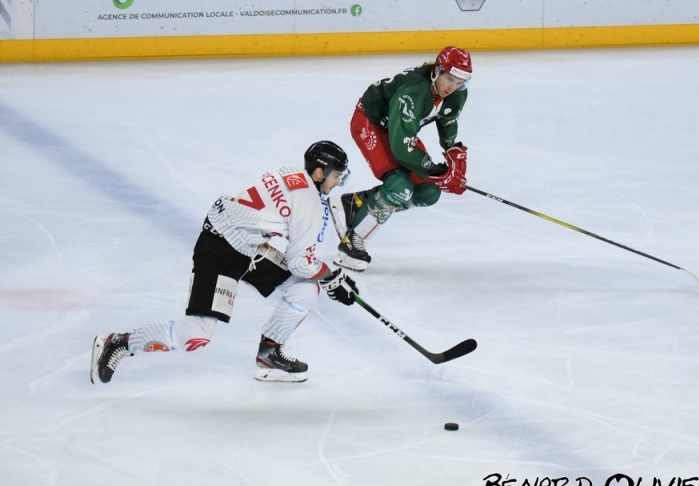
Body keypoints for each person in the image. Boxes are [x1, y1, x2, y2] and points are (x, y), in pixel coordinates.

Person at [90, 141, 359, 384]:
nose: (338, 183)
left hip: (246, 246)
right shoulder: (309, 204)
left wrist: (325, 276)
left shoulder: (288, 172)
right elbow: (301, 263)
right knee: (195, 337)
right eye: (336, 176)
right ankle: (119, 343)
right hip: (220, 251)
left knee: (304, 289)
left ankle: (269, 354)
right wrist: (330, 275)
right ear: (319, 172)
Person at [328, 46, 472, 271]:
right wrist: (435, 169)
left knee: (429, 192)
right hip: (371, 122)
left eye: (460, 82)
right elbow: (401, 148)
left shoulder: (457, 94)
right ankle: (352, 241)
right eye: (449, 79)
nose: (452, 87)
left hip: (400, 129)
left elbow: (448, 124)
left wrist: (455, 162)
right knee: (400, 187)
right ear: (438, 70)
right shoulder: (413, 90)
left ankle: (356, 204)